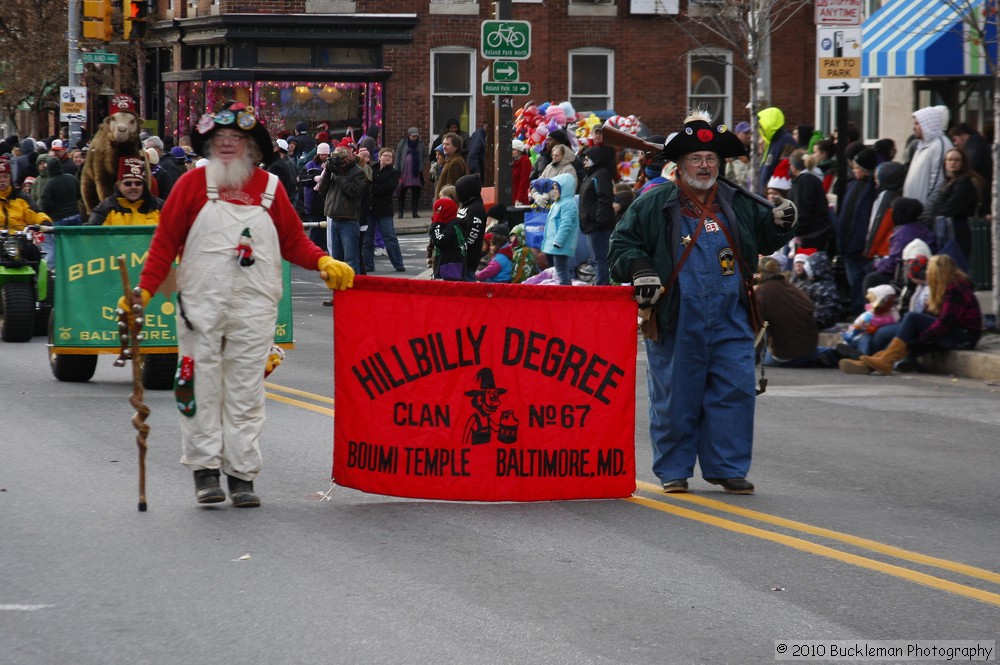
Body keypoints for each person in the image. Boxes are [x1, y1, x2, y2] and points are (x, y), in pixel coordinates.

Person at [131, 102, 354, 508]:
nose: (228, 145)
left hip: (254, 309)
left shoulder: (270, 188)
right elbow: (164, 244)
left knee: (246, 393)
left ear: (253, 147)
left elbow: (293, 241)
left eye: (237, 139)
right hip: (200, 310)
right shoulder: (191, 186)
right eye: (220, 140)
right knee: (199, 389)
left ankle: (241, 475)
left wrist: (322, 260)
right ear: (210, 146)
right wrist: (143, 294)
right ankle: (205, 471)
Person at [609, 111, 797, 495]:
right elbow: (621, 246)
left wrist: (781, 221)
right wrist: (642, 270)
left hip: (732, 316)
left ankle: (727, 468)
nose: (705, 165)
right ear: (679, 165)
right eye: (696, 158)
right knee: (676, 395)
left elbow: (762, 238)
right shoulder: (654, 203)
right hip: (678, 315)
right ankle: (674, 470)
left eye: (711, 158)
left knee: (734, 392)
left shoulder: (737, 201)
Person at [839, 254, 981, 375]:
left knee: (912, 319)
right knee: (908, 330)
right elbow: (932, 316)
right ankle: (873, 363)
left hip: (963, 336)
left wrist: (918, 339)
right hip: (954, 333)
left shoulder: (955, 289)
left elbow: (945, 323)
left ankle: (883, 361)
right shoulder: (948, 287)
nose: (926, 274)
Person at [754, 256, 836, 368]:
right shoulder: (793, 287)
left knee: (765, 357)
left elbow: (758, 328)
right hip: (809, 348)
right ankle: (828, 353)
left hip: (786, 355)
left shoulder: (760, 292)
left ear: (760, 273)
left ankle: (822, 355)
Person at [835, 147, 878, 315]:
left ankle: (860, 310)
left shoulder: (870, 189)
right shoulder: (853, 184)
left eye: (857, 168)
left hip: (859, 244)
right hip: (848, 243)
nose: (854, 171)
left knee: (860, 279)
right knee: (854, 279)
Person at [319, 143, 367, 276]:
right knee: (337, 261)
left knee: (351, 260)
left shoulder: (359, 172)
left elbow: (353, 191)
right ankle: (340, 293)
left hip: (349, 220)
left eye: (339, 158)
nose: (338, 162)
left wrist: (338, 175)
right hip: (334, 218)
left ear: (348, 158)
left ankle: (354, 292)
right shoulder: (335, 171)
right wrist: (328, 172)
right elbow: (322, 188)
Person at [932, 147, 985, 260]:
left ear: (963, 163)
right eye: (949, 160)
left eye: (956, 160)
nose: (952, 163)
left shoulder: (964, 182)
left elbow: (952, 206)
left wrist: (936, 215)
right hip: (948, 227)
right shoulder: (947, 182)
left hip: (957, 229)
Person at [903, 105, 952, 220]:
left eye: (917, 124)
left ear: (928, 124)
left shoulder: (939, 145)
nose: (914, 128)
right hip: (914, 213)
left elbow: (937, 181)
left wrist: (925, 209)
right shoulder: (922, 145)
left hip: (923, 214)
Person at [84, 156, 163, 226]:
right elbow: (90, 235)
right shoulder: (105, 208)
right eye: (128, 184)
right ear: (119, 185)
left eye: (138, 183)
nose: (133, 187)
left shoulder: (158, 206)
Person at [578, 145, 617, 285]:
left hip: (597, 225)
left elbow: (604, 198)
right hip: (591, 224)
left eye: (587, 159)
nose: (584, 162)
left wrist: (600, 219)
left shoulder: (600, 175)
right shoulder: (590, 176)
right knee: (596, 257)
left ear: (595, 160)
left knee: (600, 258)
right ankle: (600, 283)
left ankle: (602, 286)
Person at [364, 147, 405, 273]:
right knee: (368, 238)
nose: (387, 158)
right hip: (369, 208)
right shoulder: (371, 168)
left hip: (384, 209)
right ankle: (368, 265)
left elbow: (388, 188)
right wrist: (373, 188)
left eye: (390, 156)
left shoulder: (394, 173)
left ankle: (398, 264)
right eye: (385, 155)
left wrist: (372, 188)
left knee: (389, 236)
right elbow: (365, 184)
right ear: (380, 156)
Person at [0, 158, 50, 263]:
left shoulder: (21, 198)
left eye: (5, 176)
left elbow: (35, 213)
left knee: (33, 251)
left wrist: (44, 221)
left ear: (10, 178)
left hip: (19, 242)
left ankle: (35, 278)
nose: (2, 180)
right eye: (0, 177)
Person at [38, 154, 82, 269]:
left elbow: (45, 204)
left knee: (59, 248)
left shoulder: (50, 183)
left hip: (59, 219)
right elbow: (79, 195)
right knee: (76, 247)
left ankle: (57, 273)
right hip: (76, 216)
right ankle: (76, 269)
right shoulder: (72, 178)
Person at [786, 149, 833, 252]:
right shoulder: (810, 179)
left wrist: (794, 230)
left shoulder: (804, 182)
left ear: (794, 166)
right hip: (814, 233)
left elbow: (801, 211)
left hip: (811, 236)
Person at [541, 173, 580, 286]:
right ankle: (564, 288)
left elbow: (565, 225)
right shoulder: (560, 202)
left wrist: (558, 241)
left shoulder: (568, 204)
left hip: (560, 243)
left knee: (561, 267)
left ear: (565, 188)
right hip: (556, 243)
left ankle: (565, 290)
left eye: (557, 188)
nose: (555, 191)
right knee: (559, 268)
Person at [756, 106, 799, 194]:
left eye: (762, 124)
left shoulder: (786, 141)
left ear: (770, 122)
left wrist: (769, 193)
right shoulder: (771, 142)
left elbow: (784, 172)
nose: (760, 127)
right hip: (767, 197)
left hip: (777, 197)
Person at [455, 173, 486, 280]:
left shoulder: (476, 209)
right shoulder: (466, 204)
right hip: (460, 257)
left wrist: (461, 248)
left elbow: (473, 234)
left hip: (468, 258)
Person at [429, 196, 466, 281]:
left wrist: (437, 222)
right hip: (450, 266)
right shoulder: (452, 225)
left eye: (437, 212)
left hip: (450, 268)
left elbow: (439, 241)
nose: (434, 214)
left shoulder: (452, 226)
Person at [394, 127, 425, 220]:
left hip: (416, 172)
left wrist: (421, 166)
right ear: (409, 135)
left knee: (416, 192)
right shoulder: (403, 143)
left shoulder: (420, 143)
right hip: (404, 172)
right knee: (402, 193)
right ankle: (400, 213)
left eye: (416, 136)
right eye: (413, 136)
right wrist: (397, 169)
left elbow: (424, 155)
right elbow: (398, 156)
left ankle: (414, 212)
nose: (415, 138)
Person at [434, 133, 467, 199]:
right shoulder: (450, 160)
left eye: (447, 144)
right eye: (443, 144)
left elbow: (452, 188)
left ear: (456, 147)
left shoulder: (456, 162)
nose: (444, 147)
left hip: (448, 202)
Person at [511, 139, 531, 206]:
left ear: (519, 151)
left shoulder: (524, 161)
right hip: (514, 194)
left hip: (520, 197)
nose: (511, 152)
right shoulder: (515, 161)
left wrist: (519, 198)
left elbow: (524, 181)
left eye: (513, 149)